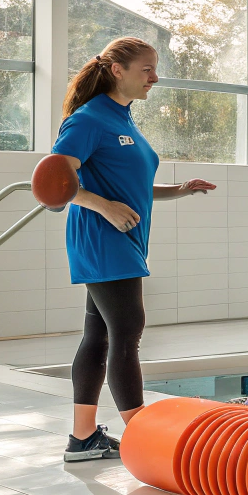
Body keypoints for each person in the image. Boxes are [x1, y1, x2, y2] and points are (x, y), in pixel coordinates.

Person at [52, 37, 217, 461]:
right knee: (128, 330)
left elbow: (132, 186)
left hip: (121, 238)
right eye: (147, 69)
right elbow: (58, 181)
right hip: (101, 236)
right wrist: (103, 207)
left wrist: (178, 191)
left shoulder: (121, 119)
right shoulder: (89, 119)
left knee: (100, 335)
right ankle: (146, 437)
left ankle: (83, 438)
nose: (155, 78)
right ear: (117, 70)